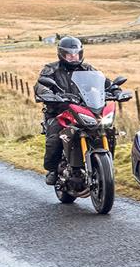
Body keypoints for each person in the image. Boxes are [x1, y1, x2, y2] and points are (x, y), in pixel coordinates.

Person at [35, 36, 109, 185]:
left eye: (76, 53)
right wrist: (48, 94)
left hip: (84, 111)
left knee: (107, 129)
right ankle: (53, 170)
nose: (73, 57)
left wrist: (115, 89)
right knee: (55, 138)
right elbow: (41, 85)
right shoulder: (51, 69)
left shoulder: (88, 69)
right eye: (69, 54)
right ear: (61, 54)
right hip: (59, 112)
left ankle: (104, 166)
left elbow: (104, 82)